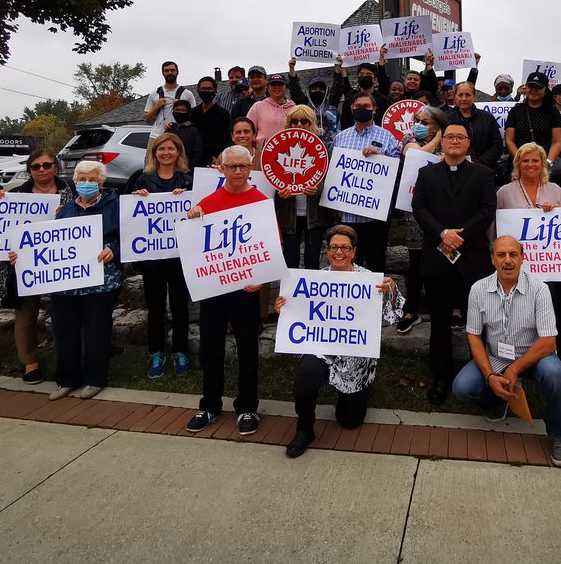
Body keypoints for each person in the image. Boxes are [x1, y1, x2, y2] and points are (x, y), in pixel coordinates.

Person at [277, 225, 402, 458]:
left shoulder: (369, 281)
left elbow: (392, 317)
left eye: (345, 247)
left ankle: (360, 390)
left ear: (354, 251)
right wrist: (285, 308)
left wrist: (390, 290)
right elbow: (300, 315)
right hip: (323, 350)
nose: (339, 252)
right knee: (305, 376)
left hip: (355, 358)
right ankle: (304, 429)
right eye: (334, 247)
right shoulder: (313, 281)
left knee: (349, 421)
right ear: (327, 251)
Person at [451, 236, 561, 468]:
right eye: (501, 255)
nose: (508, 261)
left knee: (556, 376)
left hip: (535, 356)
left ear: (522, 258)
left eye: (513, 254)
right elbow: (474, 336)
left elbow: (548, 342)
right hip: (497, 356)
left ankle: (560, 435)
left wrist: (515, 369)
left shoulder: (539, 290)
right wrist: (490, 376)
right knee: (461, 387)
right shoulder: (478, 289)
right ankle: (499, 398)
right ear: (492, 260)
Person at [10, 160, 123, 400]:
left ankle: (94, 378)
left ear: (101, 182)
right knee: (64, 331)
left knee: (96, 331)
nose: (86, 183)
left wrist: (114, 250)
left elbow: (129, 238)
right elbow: (43, 242)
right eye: (81, 179)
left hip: (101, 281)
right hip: (65, 285)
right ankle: (67, 379)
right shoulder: (64, 210)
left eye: (92, 179)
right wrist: (22, 255)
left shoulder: (115, 205)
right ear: (74, 182)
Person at [184, 145, 271, 436]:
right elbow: (194, 247)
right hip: (214, 289)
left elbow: (271, 249)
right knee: (211, 348)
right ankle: (209, 404)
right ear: (220, 169)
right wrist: (192, 220)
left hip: (245, 290)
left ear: (250, 168)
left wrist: (260, 279)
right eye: (231, 167)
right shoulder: (207, 203)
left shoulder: (260, 203)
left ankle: (247, 406)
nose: (237, 172)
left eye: (242, 167)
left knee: (247, 349)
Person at [412, 123, 497, 403]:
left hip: (472, 257)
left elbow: (487, 210)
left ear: (468, 143)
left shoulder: (483, 174)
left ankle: (484, 374)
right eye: (450, 137)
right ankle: (441, 376)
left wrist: (460, 235)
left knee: (479, 320)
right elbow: (419, 207)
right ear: (442, 142)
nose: (455, 141)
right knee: (439, 319)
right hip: (436, 256)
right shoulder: (426, 174)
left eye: (460, 137)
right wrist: (442, 233)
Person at [496, 142, 561, 391]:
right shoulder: (505, 192)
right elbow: (497, 230)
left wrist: (556, 212)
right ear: (517, 164)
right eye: (525, 161)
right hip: (520, 269)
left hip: (556, 268)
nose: (531, 165)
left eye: (536, 160)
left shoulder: (555, 190)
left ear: (543, 164)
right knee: (518, 317)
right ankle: (518, 365)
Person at [0, 150, 75, 384]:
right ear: (29, 170)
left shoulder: (70, 190)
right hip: (26, 263)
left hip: (62, 260)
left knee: (68, 312)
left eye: (47, 165)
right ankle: (30, 363)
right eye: (35, 166)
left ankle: (70, 356)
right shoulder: (16, 195)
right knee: (26, 315)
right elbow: (0, 227)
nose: (41, 170)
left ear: (56, 167)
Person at [128, 133, 193, 379]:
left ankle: (180, 352)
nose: (166, 153)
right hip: (152, 259)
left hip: (179, 257)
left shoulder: (188, 180)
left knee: (180, 307)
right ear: (154, 153)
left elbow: (199, 212)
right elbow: (130, 215)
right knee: (154, 308)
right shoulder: (142, 180)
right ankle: (156, 352)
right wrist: (136, 200)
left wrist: (187, 201)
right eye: (161, 149)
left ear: (179, 152)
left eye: (171, 148)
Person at [331, 93, 401, 271]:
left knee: (376, 263)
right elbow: (333, 170)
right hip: (347, 215)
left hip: (376, 216)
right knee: (348, 264)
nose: (362, 109)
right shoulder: (341, 137)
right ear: (351, 109)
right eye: (358, 106)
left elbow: (398, 169)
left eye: (367, 106)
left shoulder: (388, 137)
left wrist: (381, 158)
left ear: (375, 110)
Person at [394, 105, 448, 335]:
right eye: (417, 120)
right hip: (415, 213)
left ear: (438, 124)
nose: (419, 124)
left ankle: (450, 308)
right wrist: (436, 140)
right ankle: (411, 310)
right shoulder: (409, 138)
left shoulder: (450, 140)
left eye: (425, 122)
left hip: (443, 214)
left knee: (446, 260)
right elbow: (415, 156)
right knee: (416, 262)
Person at [276, 105, 335, 270]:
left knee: (312, 261)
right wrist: (280, 193)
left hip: (315, 216)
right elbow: (271, 178)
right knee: (290, 261)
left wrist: (318, 189)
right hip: (289, 216)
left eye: (304, 121)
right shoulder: (278, 146)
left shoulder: (323, 148)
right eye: (295, 121)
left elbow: (331, 179)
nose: (299, 125)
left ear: (312, 123)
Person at [504, 72, 561, 168]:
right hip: (520, 164)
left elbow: (557, 142)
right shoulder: (516, 111)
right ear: (525, 88)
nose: (534, 90)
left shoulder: (553, 112)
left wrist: (547, 163)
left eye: (538, 87)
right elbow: (509, 140)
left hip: (545, 165)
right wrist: (520, 161)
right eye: (531, 86)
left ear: (545, 90)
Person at [445, 81, 502, 172]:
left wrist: (480, 163)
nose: (464, 99)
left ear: (474, 96)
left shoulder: (487, 118)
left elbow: (497, 145)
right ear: (455, 97)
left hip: (484, 169)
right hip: (454, 169)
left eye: (468, 95)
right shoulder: (446, 118)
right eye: (460, 95)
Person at [285, 59, 341, 146]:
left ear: (326, 91)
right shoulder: (304, 106)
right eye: (314, 89)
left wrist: (338, 69)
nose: (317, 91)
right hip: (306, 150)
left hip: (331, 151)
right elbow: (295, 90)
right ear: (308, 91)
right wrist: (292, 70)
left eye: (321, 89)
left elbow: (337, 89)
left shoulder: (332, 106)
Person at [334, 53, 392, 128]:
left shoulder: (384, 101)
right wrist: (343, 67)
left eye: (368, 75)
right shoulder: (349, 101)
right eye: (361, 75)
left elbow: (384, 84)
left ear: (375, 80)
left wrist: (381, 64)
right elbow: (345, 125)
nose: (364, 77)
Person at [142, 60, 196, 138]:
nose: (170, 73)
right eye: (167, 71)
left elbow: (194, 118)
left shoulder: (187, 94)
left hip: (180, 137)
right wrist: (156, 107)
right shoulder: (154, 93)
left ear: (177, 72)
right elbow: (147, 119)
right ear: (163, 73)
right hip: (156, 136)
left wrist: (183, 108)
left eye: (172, 70)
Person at [190, 76, 233, 167]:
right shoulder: (192, 113)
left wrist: (220, 157)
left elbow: (227, 139)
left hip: (214, 161)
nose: (206, 91)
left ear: (215, 91)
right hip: (192, 159)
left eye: (209, 89)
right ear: (198, 90)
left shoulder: (224, 114)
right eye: (203, 89)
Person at [247, 73, 296, 149]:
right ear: (267, 87)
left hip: (289, 154)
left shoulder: (294, 109)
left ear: (286, 88)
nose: (277, 87)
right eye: (273, 85)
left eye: (280, 85)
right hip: (262, 154)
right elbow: (248, 131)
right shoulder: (257, 106)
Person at [167, 97, 204, 170]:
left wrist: (190, 168)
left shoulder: (193, 131)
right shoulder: (169, 129)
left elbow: (198, 152)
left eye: (183, 110)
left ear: (189, 113)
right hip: (168, 168)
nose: (180, 112)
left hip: (185, 170)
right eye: (177, 110)